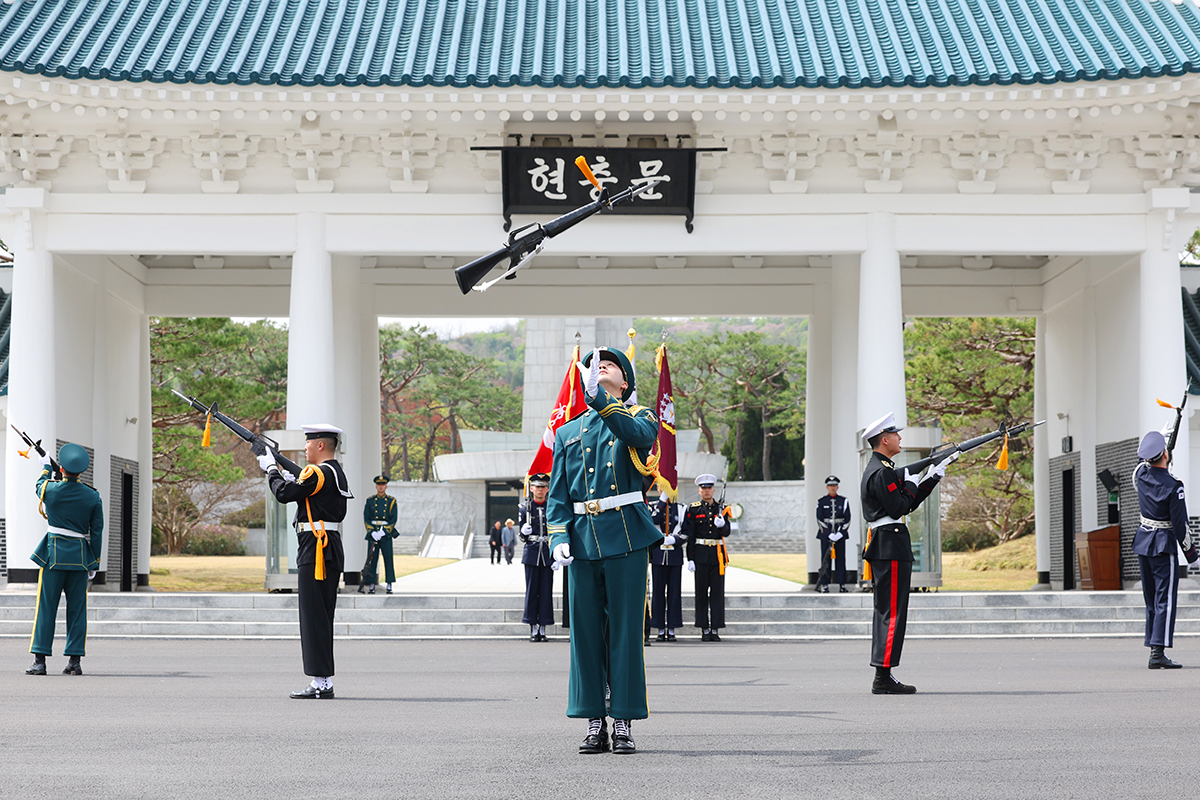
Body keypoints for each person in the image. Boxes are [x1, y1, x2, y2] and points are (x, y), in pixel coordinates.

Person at [547, 346, 661, 755]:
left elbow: (637, 437)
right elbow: (557, 496)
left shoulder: (641, 418)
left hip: (626, 537)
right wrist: (558, 538)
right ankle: (594, 719)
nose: (600, 369)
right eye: (595, 367)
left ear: (624, 382)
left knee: (627, 635)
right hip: (581, 541)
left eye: (608, 366)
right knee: (585, 636)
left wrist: (600, 398)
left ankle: (624, 720)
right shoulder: (567, 432)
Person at [860, 412, 955, 695]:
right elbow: (899, 507)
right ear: (884, 440)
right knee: (892, 612)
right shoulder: (881, 472)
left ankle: (884, 673)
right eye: (896, 435)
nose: (901, 438)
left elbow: (906, 503)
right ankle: (882, 677)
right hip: (889, 544)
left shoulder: (884, 469)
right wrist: (914, 481)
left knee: (891, 611)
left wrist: (931, 477)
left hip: (890, 543)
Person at [260, 423, 353, 699]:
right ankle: (322, 679)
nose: (305, 447)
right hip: (330, 547)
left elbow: (284, 494)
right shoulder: (335, 472)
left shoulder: (317, 472)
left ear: (320, 445)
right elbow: (305, 486)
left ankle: (321, 682)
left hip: (316, 551)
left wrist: (271, 469)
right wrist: (290, 472)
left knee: (313, 617)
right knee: (321, 616)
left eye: (308, 443)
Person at [26, 444, 103, 677]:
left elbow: (39, 485)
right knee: (78, 610)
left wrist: (46, 467)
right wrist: (94, 562)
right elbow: (97, 532)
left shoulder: (52, 489)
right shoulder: (92, 495)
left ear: (62, 468)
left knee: (46, 608)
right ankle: (74, 661)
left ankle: (40, 661)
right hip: (79, 559)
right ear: (81, 471)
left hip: (54, 556)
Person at [1132, 429, 1200, 668]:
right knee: (1165, 600)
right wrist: (1192, 555)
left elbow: (1141, 461)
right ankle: (1157, 653)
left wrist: (1158, 438)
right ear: (1165, 455)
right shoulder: (1174, 486)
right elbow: (1181, 526)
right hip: (1163, 544)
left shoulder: (1141, 476)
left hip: (1143, 541)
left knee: (1151, 599)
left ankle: (1154, 648)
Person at [683, 474, 733, 642]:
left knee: (717, 593)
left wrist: (723, 524)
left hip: (717, 555)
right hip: (701, 554)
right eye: (703, 488)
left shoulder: (722, 508)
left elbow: (727, 532)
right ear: (699, 490)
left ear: (713, 490)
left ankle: (716, 627)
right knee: (701, 593)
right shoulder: (694, 508)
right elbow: (690, 535)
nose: (706, 491)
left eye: (709, 488)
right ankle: (704, 627)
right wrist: (689, 558)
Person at [519, 474, 555, 641]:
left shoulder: (552, 507)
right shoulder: (524, 508)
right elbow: (522, 537)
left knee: (546, 591)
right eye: (537, 486)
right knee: (532, 590)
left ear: (547, 489)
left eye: (543, 486)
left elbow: (555, 532)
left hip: (547, 554)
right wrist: (523, 532)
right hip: (532, 554)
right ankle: (533, 627)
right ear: (531, 488)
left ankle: (543, 627)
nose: (540, 490)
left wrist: (555, 557)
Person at [650, 495, 687, 641]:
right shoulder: (654, 507)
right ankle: (659, 628)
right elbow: (653, 520)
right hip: (658, 556)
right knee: (658, 593)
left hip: (674, 556)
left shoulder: (682, 508)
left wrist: (676, 539)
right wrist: (661, 502)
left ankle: (671, 629)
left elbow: (687, 531)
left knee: (674, 593)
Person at [360, 474, 398, 594]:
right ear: (376, 486)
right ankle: (371, 584)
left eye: (383, 485)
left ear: (386, 486)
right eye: (379, 485)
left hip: (385, 533)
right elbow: (366, 518)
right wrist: (372, 531)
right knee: (372, 559)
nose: (381, 487)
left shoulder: (391, 501)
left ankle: (389, 584)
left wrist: (384, 531)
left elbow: (393, 518)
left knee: (388, 558)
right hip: (374, 533)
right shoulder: (370, 501)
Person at [815, 475, 851, 593]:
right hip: (826, 535)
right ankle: (825, 584)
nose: (832, 488)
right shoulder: (821, 501)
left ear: (837, 487)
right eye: (830, 486)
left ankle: (842, 584)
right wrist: (828, 534)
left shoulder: (844, 501)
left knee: (841, 559)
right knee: (826, 560)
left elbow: (847, 518)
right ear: (827, 487)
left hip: (839, 534)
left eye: (834, 486)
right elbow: (820, 519)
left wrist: (840, 533)